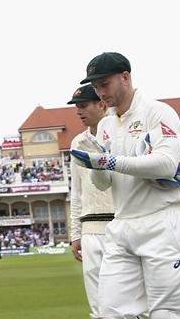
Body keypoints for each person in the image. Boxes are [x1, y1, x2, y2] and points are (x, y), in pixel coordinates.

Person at [71, 52, 180, 319]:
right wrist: (96, 166)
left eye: (105, 84)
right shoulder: (105, 126)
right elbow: (103, 184)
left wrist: (109, 160)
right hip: (122, 224)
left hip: (161, 222)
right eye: (96, 87)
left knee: (166, 313)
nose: (100, 93)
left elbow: (166, 165)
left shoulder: (158, 112)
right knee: (110, 312)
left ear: (125, 77)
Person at [67, 84, 114, 319]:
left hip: (118, 226)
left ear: (102, 104)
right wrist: (76, 234)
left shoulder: (119, 135)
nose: (79, 112)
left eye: (83, 106)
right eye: (77, 108)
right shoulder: (77, 143)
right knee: (97, 307)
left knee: (127, 303)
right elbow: (77, 192)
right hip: (89, 230)